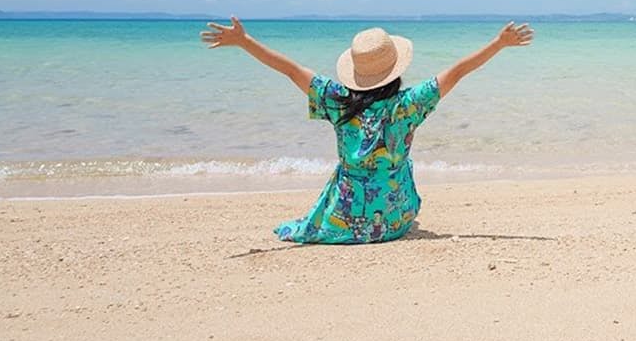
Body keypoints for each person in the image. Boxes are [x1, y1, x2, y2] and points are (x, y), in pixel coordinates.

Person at [200, 16, 533, 244]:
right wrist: (498, 43)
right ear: (396, 68)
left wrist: (244, 41)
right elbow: (458, 71)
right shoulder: (410, 104)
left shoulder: (337, 100)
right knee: (401, 163)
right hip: (396, 222)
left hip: (345, 220)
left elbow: (289, 70)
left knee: (350, 171)